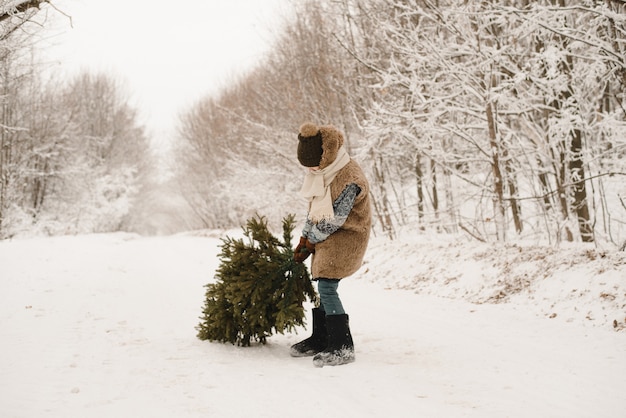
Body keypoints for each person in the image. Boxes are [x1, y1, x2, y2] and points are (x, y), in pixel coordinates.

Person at [290, 122, 371, 367]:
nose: (311, 169)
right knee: (321, 282)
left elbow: (335, 218)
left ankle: (342, 345)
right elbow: (314, 211)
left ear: (326, 155)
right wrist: (304, 238)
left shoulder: (350, 178)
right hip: (327, 235)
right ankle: (321, 337)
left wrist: (311, 240)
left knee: (326, 285)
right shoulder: (323, 174)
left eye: (313, 164)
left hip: (348, 236)